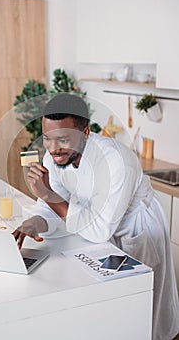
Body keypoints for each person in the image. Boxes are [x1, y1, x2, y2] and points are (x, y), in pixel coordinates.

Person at [13, 92, 179, 340]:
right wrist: (34, 222)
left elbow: (99, 228)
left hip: (136, 230)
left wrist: (47, 195)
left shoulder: (116, 162)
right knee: (111, 311)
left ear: (86, 132)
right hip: (95, 235)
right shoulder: (54, 157)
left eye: (64, 139)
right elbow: (51, 207)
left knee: (147, 312)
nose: (53, 148)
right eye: (47, 138)